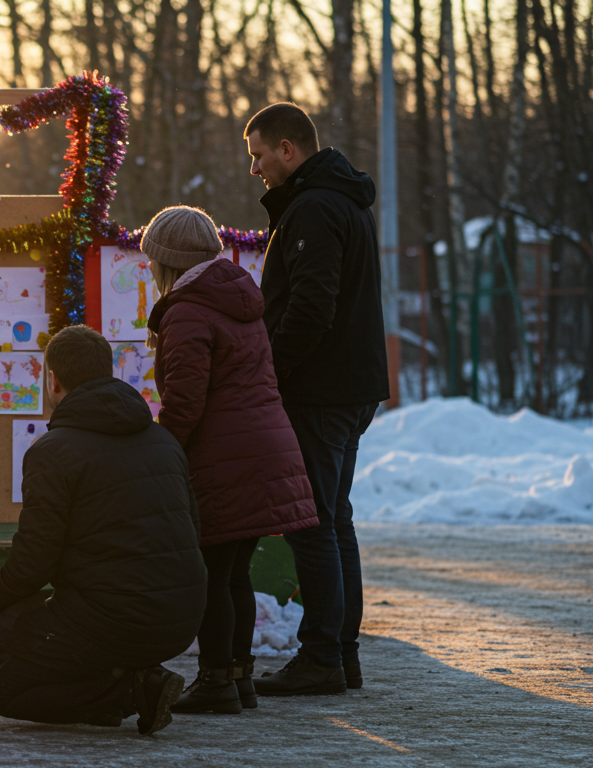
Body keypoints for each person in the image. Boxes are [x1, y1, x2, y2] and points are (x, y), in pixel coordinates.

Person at [0, 325, 207, 734]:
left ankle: (133, 691)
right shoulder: (163, 439)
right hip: (183, 618)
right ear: (109, 372)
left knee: (5, 682)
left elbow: (35, 561)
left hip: (113, 619)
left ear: (53, 380)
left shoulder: (51, 451)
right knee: (40, 627)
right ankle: (130, 679)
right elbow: (193, 527)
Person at [141, 205, 318, 713]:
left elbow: (186, 402)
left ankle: (217, 681)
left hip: (225, 458)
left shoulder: (189, 310)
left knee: (211, 575)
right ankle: (238, 677)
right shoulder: (239, 300)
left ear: (167, 262)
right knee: (234, 572)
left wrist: (158, 449)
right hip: (262, 450)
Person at [243, 103, 389, 696]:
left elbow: (310, 308)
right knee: (336, 521)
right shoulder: (340, 201)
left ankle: (323, 656)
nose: (254, 168)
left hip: (321, 393)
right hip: (350, 389)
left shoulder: (314, 208)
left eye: (257, 154)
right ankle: (340, 653)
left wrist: (266, 376)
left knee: (313, 524)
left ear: (287, 148)